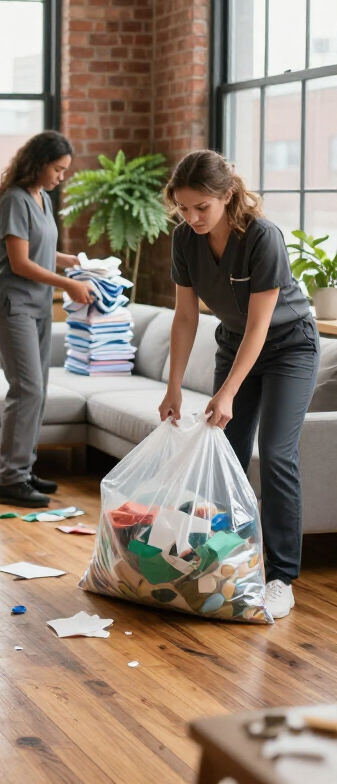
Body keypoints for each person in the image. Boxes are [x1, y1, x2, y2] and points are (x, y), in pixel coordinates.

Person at [159, 150, 318, 621]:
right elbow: (185, 317)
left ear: (227, 196)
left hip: (288, 347)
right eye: (183, 208)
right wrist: (172, 388)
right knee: (223, 450)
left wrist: (226, 391)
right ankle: (226, 560)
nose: (192, 218)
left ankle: (280, 578)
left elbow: (260, 326)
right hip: (233, 344)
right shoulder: (184, 240)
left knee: (275, 451)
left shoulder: (262, 237)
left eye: (201, 208)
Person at [0, 130, 96, 508]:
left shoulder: (43, 199)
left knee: (39, 390)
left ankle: (24, 468)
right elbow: (20, 263)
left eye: (65, 171)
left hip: (37, 306)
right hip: (12, 306)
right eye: (58, 169)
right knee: (27, 389)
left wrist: (71, 261)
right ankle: (10, 480)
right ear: (39, 163)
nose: (61, 177)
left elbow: (40, 251)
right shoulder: (14, 201)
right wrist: (68, 283)